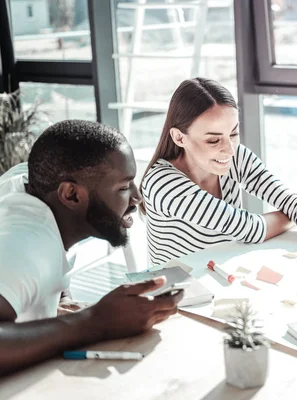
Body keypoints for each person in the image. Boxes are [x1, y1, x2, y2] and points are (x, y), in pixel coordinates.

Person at [0, 120, 182, 376]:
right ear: (72, 195)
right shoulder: (28, 245)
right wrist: (96, 321)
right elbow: (30, 254)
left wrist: (62, 299)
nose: (137, 197)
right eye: (122, 187)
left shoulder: (35, 187)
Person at [140, 78, 297, 266]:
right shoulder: (163, 184)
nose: (229, 148)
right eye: (213, 139)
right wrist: (294, 212)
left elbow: (288, 199)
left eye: (233, 133)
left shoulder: (234, 156)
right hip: (178, 294)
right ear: (179, 137)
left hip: (221, 273)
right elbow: (249, 228)